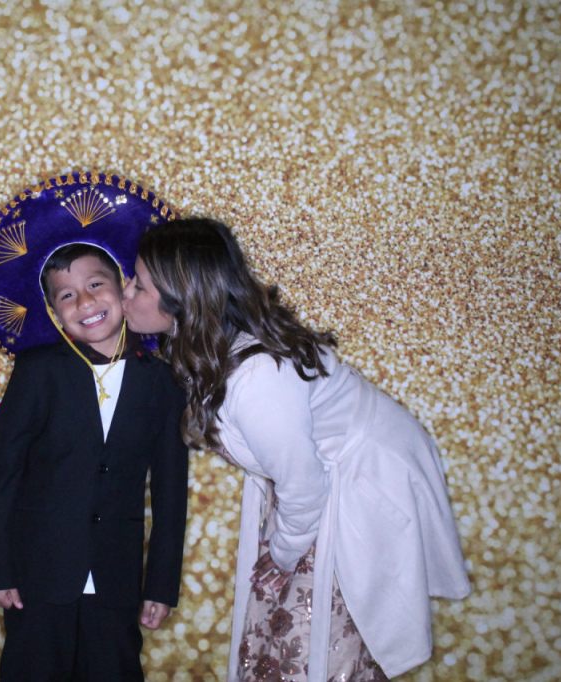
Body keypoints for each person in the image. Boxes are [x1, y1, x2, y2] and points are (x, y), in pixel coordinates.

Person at [121, 217, 470, 682]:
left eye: (138, 284)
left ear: (183, 300)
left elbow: (303, 487)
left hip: (356, 490)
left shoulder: (257, 377)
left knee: (320, 648)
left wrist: (282, 554)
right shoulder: (214, 348)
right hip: (321, 492)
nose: (125, 292)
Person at [0, 242, 188, 681]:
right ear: (55, 312)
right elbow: (2, 475)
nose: (85, 302)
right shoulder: (37, 370)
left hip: (116, 578)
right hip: (37, 576)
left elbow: (170, 491)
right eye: (67, 295)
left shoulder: (162, 380)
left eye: (95, 285)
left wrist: (161, 584)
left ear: (123, 289)